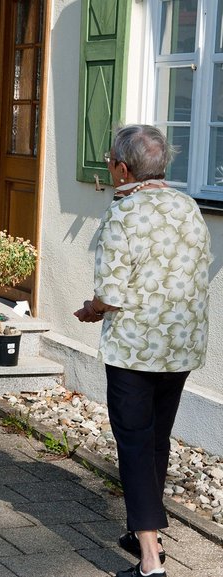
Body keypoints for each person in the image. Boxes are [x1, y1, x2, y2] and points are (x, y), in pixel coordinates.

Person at [74, 125, 210, 577]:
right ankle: (142, 532)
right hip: (181, 345)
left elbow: (110, 294)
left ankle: (151, 563)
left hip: (135, 349)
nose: (110, 168)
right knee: (155, 438)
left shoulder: (123, 214)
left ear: (123, 168)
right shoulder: (190, 207)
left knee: (134, 444)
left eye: (111, 161)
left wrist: (91, 310)